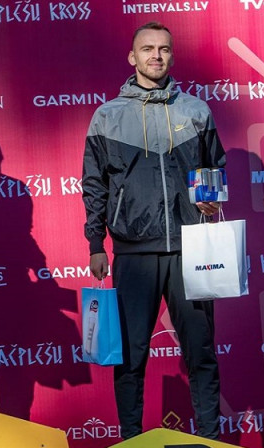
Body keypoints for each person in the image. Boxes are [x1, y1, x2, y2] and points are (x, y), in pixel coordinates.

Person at [82, 22, 224, 439]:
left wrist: (211, 198)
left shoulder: (196, 110)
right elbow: (95, 185)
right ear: (133, 57)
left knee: (201, 353)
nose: (156, 56)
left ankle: (211, 439)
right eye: (147, 49)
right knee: (130, 357)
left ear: (171, 56)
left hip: (191, 249)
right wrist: (96, 243)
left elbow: (213, 165)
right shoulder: (107, 116)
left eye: (163, 49)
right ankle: (131, 439)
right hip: (133, 253)